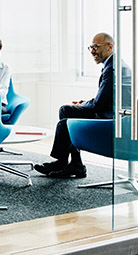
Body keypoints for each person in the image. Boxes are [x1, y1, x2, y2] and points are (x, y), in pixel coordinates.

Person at [34, 32, 128, 179]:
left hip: (111, 119)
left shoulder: (113, 68)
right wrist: (84, 103)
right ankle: (73, 163)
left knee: (65, 123)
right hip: (107, 112)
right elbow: (103, 99)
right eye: (91, 47)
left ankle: (64, 162)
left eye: (96, 47)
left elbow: (98, 105)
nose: (92, 51)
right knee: (66, 110)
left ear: (110, 46)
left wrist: (84, 104)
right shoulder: (112, 64)